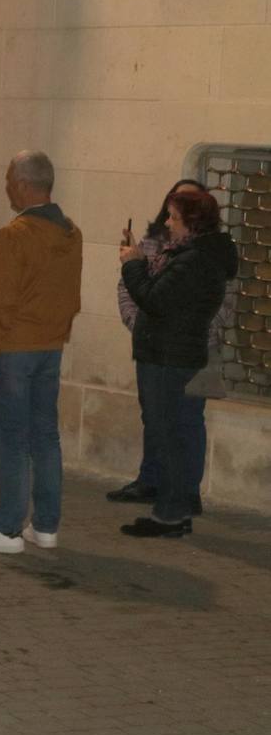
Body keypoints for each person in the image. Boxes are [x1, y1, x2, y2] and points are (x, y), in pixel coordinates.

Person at [0, 151, 82, 554]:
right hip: (50, 349)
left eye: (10, 178)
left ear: (26, 185)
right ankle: (45, 526)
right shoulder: (71, 233)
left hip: (14, 351)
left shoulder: (15, 236)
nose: (7, 185)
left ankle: (7, 528)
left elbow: (0, 303)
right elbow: (70, 296)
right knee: (45, 438)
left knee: (12, 442)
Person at [109, 180, 237, 514]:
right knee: (163, 422)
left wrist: (134, 263)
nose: (168, 222)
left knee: (179, 424)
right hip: (162, 346)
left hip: (178, 351)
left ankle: (177, 499)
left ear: (192, 220)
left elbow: (158, 297)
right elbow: (138, 294)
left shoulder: (197, 257)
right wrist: (142, 324)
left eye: (174, 215)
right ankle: (163, 489)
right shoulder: (180, 249)